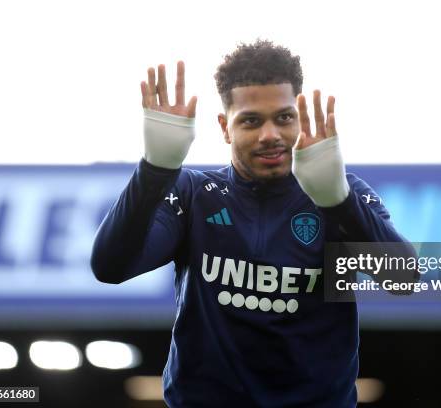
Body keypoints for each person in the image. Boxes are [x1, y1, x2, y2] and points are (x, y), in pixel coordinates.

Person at [91, 40, 408, 408]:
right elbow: (110, 268)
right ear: (226, 127)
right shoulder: (193, 195)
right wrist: (155, 170)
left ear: (301, 120)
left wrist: (339, 202)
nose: (269, 134)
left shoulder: (341, 196)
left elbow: (402, 279)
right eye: (251, 121)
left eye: (284, 117)